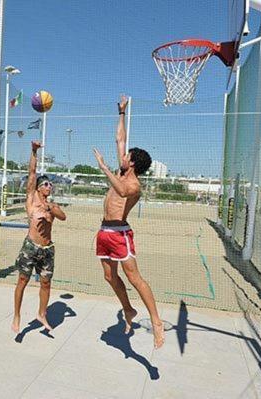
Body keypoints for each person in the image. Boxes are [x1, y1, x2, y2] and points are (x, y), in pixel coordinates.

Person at [92, 95, 164, 349]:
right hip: (104, 231)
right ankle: (128, 310)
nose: (122, 155)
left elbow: (121, 192)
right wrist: (121, 113)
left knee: (134, 278)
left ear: (131, 162)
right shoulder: (123, 171)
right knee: (110, 277)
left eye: (126, 155)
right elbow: (120, 139)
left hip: (120, 234)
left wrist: (103, 167)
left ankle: (156, 320)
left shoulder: (134, 184)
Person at [12, 141, 67, 334]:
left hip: (47, 249)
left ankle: (42, 313)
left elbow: (63, 217)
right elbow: (32, 172)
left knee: (46, 282)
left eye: (50, 184)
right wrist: (34, 151)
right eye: (45, 184)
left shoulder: (51, 205)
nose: (49, 186)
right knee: (22, 280)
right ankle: (17, 315)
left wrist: (51, 208)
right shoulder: (31, 199)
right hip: (31, 247)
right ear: (38, 187)